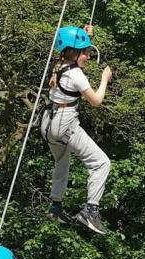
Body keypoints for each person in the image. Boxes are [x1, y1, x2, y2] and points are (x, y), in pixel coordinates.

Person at [41, 24, 113, 235]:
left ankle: (56, 207)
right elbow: (96, 101)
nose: (89, 57)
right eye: (86, 53)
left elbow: (77, 61)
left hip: (47, 123)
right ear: (75, 53)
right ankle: (90, 211)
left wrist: (87, 36)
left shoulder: (59, 63)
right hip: (64, 124)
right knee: (101, 163)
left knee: (62, 162)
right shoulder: (76, 75)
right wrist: (104, 79)